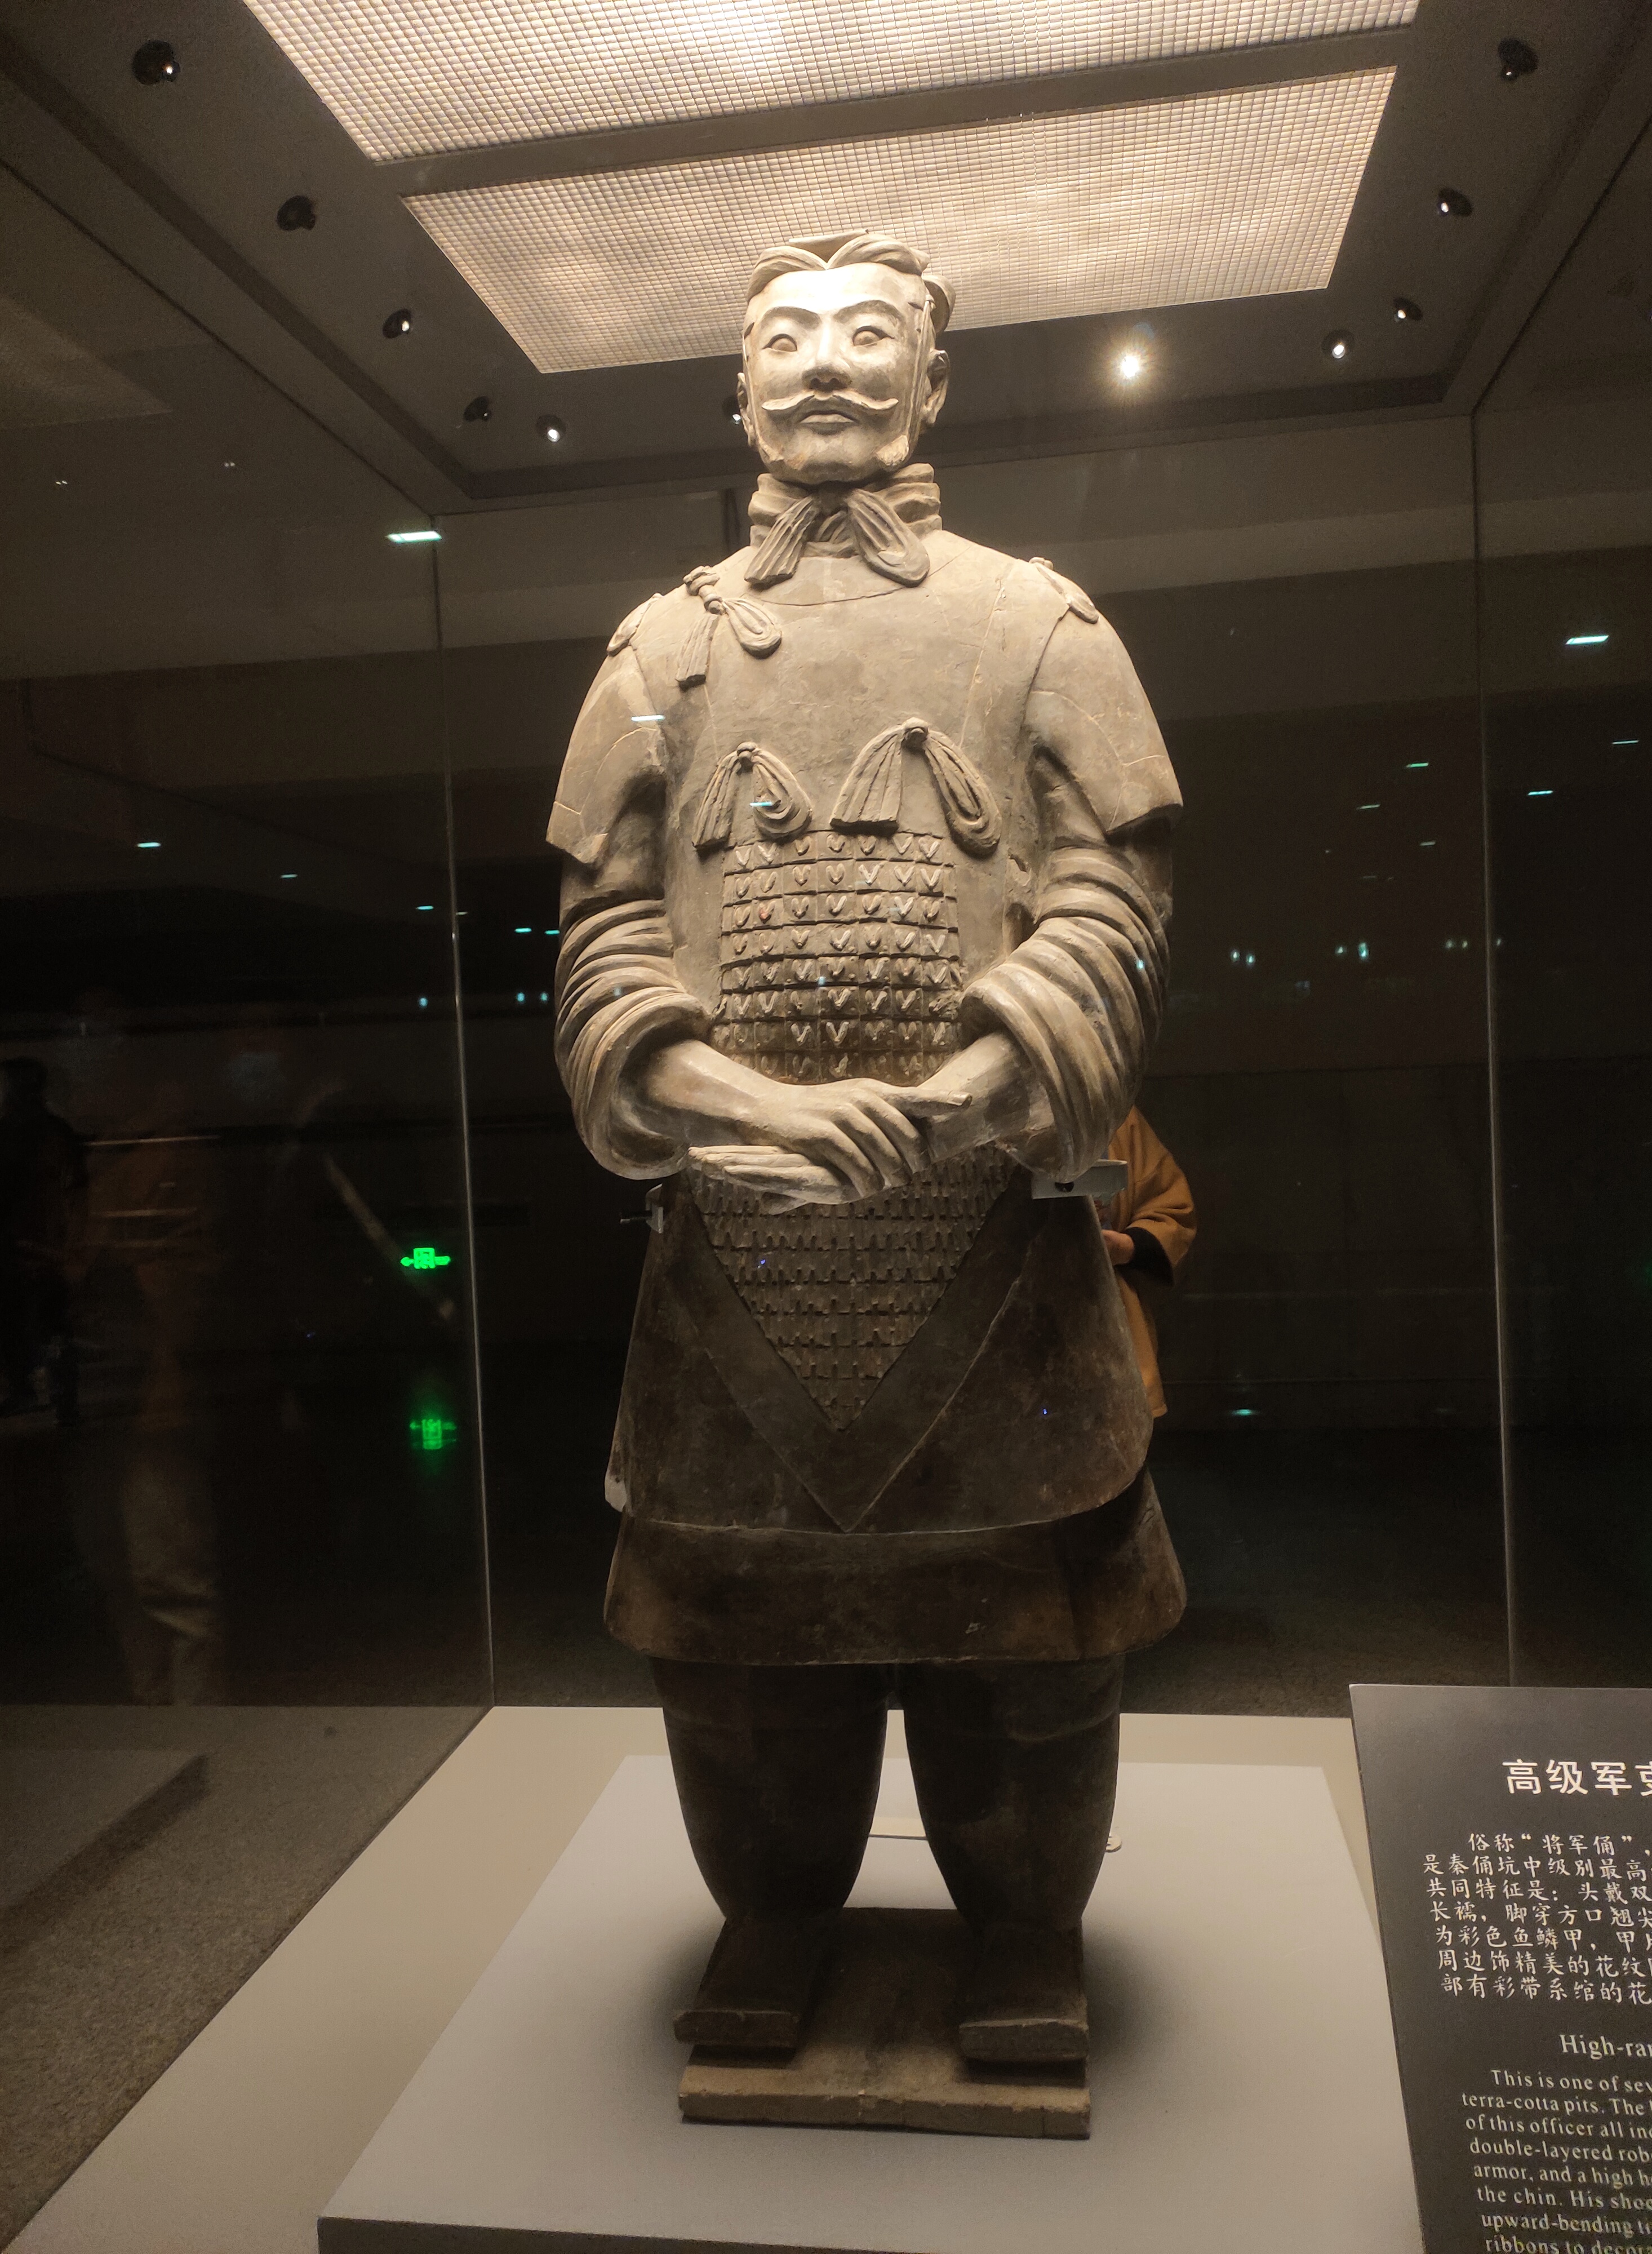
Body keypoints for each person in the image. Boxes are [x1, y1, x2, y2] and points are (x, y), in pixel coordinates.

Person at [549, 229, 1183, 2062]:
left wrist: (992, 1074)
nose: (826, 360)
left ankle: (1025, 1940)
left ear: (933, 379)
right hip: (734, 1269)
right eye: (788, 335)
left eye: (867, 331)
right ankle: (773, 1919)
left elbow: (1117, 891)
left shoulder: (1038, 626)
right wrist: (726, 1099)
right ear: (740, 389)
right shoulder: (660, 648)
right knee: (743, 1657)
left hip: (997, 1260)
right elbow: (604, 928)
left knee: (1026, 1638)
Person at [0, 1057, 86, 1422]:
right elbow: (76, 1191)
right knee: (52, 1324)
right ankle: (62, 1397)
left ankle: (27, 1390)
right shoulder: (57, 1131)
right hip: (46, 1246)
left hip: (13, 1247)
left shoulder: (2, 1136)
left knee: (15, 1322)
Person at [1100, 1108, 1197, 1419]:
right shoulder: (968, 1110)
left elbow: (1172, 1210)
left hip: (1104, 1323)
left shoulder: (1110, 1112)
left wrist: (1123, 1247)